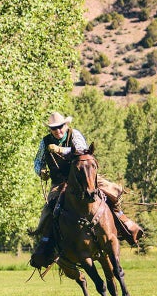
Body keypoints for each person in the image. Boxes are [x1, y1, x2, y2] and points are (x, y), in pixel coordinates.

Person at [29, 111, 143, 269]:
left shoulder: (74, 134)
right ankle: (47, 245)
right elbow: (37, 162)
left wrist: (61, 150)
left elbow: (82, 151)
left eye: (60, 127)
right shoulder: (44, 142)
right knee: (50, 210)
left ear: (65, 125)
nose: (58, 130)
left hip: (82, 177)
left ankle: (125, 223)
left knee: (111, 191)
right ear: (50, 129)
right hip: (59, 183)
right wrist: (40, 171)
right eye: (54, 128)